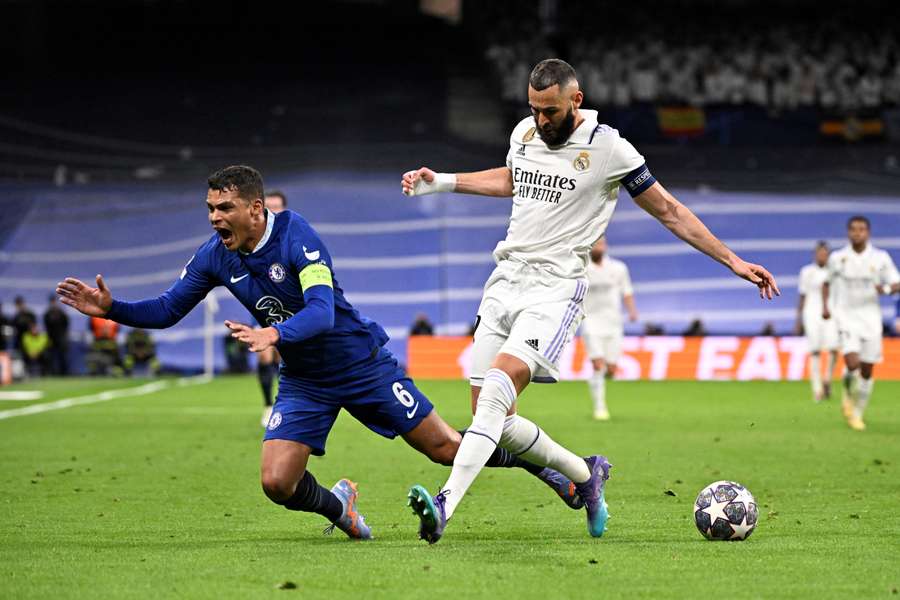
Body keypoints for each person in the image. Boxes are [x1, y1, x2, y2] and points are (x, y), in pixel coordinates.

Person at [57, 165, 582, 541]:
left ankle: (548, 469)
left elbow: (321, 311)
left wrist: (274, 336)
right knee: (276, 483)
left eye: (225, 208)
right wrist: (111, 309)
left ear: (255, 209)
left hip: (359, 363)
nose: (215, 218)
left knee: (445, 448)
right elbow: (168, 308)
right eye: (210, 208)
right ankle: (341, 507)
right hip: (305, 379)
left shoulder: (295, 235)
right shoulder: (215, 256)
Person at [401, 58, 779, 544]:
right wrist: (444, 181)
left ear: (575, 100)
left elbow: (669, 210)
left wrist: (733, 261)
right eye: (534, 109)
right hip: (504, 282)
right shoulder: (524, 134)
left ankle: (444, 506)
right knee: (492, 419)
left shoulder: (610, 148)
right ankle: (585, 473)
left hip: (556, 288)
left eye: (551, 111)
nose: (541, 120)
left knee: (498, 389)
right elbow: (514, 179)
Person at [822, 216, 900, 431]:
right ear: (848, 232)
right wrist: (826, 306)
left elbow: (897, 282)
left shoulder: (880, 258)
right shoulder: (838, 258)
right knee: (852, 363)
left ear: (868, 232)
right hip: (846, 316)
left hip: (871, 318)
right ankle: (848, 395)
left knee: (867, 369)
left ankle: (857, 413)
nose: (857, 233)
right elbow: (826, 282)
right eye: (854, 229)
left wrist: (885, 289)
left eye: (861, 229)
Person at [582, 238, 638, 421]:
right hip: (591, 322)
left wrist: (632, 311)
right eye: (595, 244)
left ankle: (596, 380)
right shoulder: (581, 269)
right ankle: (600, 408)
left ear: (605, 246)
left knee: (611, 369)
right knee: (598, 364)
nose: (598, 247)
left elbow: (627, 291)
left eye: (601, 244)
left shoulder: (618, 268)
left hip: (613, 323)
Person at [256, 190, 288, 425]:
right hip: (263, 308)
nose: (272, 211)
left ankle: (282, 404)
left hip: (288, 310)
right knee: (264, 354)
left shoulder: (291, 237)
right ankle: (268, 405)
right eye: (269, 207)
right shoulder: (254, 240)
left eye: (277, 206)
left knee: (283, 356)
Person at [795, 242, 839, 402]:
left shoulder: (834, 272)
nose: (822, 256)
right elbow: (802, 296)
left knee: (834, 348)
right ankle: (817, 389)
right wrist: (798, 320)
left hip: (831, 312)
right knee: (814, 351)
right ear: (815, 254)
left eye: (825, 254)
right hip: (811, 313)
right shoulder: (807, 272)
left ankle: (827, 378)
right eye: (820, 253)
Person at [44, 294, 70, 375]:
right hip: (51, 338)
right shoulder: (47, 314)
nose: (53, 303)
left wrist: (64, 336)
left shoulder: (61, 313)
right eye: (52, 302)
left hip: (61, 337)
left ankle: (64, 373)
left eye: (54, 301)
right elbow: (47, 327)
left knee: (62, 356)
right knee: (51, 356)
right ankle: (52, 372)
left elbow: (66, 325)